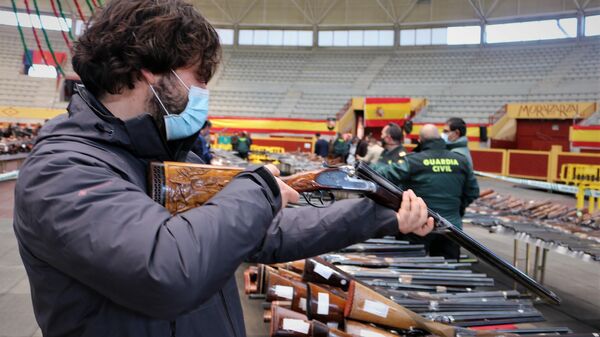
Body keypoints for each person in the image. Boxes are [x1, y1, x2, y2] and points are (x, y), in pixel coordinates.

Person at [12, 2, 433, 336]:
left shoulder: (167, 158)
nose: (204, 92)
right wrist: (258, 190)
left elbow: (268, 234)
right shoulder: (62, 170)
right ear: (150, 74)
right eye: (198, 76)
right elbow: (166, 270)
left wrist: (379, 214)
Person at [371, 124, 479, 259]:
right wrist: (456, 209)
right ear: (440, 138)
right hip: (450, 226)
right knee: (448, 274)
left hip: (417, 223)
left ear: (420, 141)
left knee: (409, 269)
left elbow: (382, 174)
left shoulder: (413, 160)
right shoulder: (461, 161)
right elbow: (473, 192)